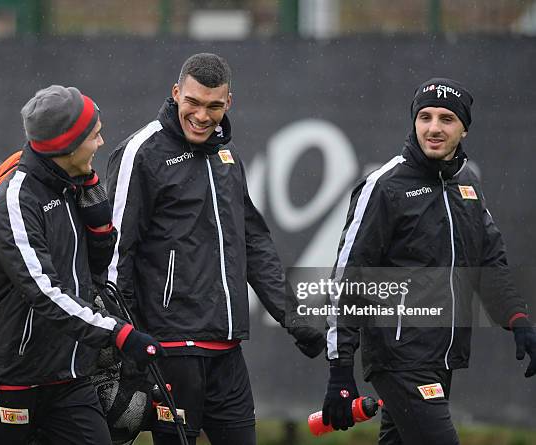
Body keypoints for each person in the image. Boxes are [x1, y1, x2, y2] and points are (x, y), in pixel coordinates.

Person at [106, 53, 326, 445]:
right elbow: (114, 256)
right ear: (176, 93)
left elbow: (254, 244)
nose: (202, 116)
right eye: (193, 102)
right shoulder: (141, 152)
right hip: (169, 349)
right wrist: (128, 343)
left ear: (229, 103)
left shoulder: (227, 156)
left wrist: (295, 319)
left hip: (226, 350)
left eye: (214, 106)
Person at [321, 77, 536, 444]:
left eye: (446, 119)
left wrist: (518, 321)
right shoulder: (385, 185)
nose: (434, 128)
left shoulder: (467, 185)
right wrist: (340, 370)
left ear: (464, 129)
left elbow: (489, 264)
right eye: (425, 117)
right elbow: (348, 278)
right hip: (399, 358)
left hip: (443, 357)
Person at [0, 85, 164, 444]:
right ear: (66, 145)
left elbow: (93, 274)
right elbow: (45, 292)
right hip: (6, 382)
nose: (101, 143)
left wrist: (100, 226)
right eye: (94, 135)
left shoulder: (74, 186)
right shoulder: (17, 199)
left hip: (69, 381)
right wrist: (118, 333)